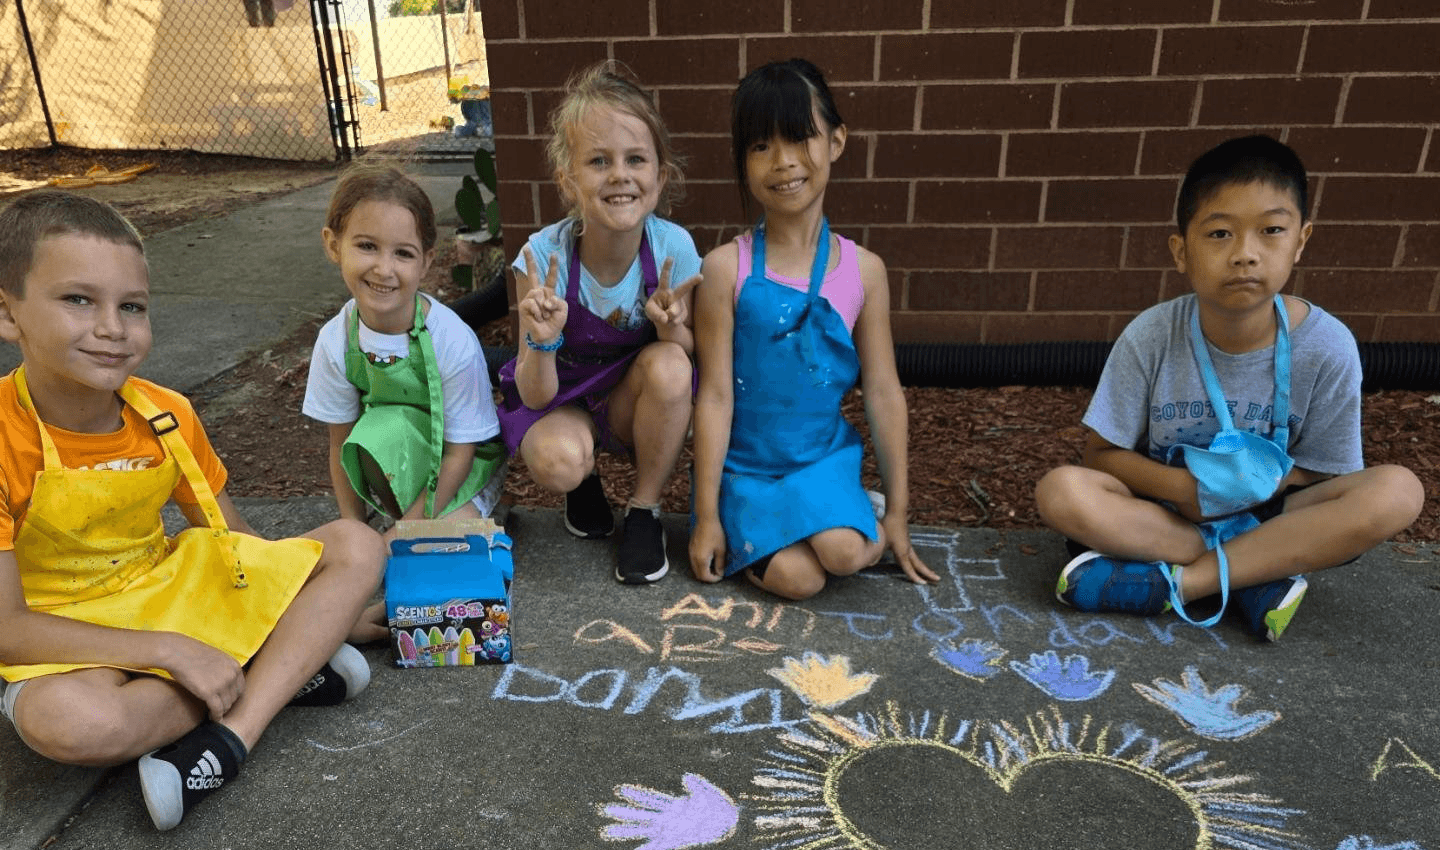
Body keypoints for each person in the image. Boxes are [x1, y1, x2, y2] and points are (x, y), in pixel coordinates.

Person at [0, 191, 386, 830]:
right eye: (78, 300)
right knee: (72, 723)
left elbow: (235, 542)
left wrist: (317, 606)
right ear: (8, 314)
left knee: (356, 545)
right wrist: (173, 651)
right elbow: (8, 627)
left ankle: (233, 735)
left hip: (166, 591)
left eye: (132, 307)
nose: (111, 328)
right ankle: (279, 669)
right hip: (64, 633)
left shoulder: (166, 413)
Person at [1034, 135, 1424, 640]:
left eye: (1271, 231)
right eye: (1219, 234)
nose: (1245, 254)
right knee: (1062, 491)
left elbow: (1329, 475)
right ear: (1181, 250)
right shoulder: (1151, 335)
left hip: (1272, 514)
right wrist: (1189, 490)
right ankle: (1254, 576)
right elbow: (1101, 454)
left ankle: (1188, 582)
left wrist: (1259, 482)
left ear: (1301, 240)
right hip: (1172, 514)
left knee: (1397, 491)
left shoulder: (1327, 346)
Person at [688, 58, 940, 600]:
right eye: (760, 147)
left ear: (837, 140)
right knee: (798, 581)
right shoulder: (724, 269)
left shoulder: (863, 271)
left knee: (844, 554)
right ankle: (796, 526)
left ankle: (857, 512)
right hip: (746, 473)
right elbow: (712, 396)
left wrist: (898, 511)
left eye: (801, 138)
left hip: (821, 462)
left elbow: (883, 391)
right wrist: (706, 516)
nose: (783, 163)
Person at [497, 61, 700, 585]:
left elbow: (686, 354)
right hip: (562, 398)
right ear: (569, 179)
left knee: (673, 364)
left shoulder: (673, 250)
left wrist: (672, 325)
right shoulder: (542, 259)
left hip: (631, 399)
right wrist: (541, 344)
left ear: (660, 174)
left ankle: (643, 511)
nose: (620, 175)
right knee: (559, 462)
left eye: (636, 159)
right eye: (598, 161)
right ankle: (582, 483)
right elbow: (536, 396)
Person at [303, 161, 505, 641]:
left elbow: (462, 448)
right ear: (333, 244)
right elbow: (340, 444)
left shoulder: (451, 338)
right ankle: (385, 536)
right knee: (379, 430)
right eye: (367, 246)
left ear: (426, 262)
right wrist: (358, 539)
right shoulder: (336, 340)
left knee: (443, 554)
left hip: (464, 468)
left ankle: (474, 510)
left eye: (403, 253)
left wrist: (407, 530)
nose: (384, 269)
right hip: (396, 457)